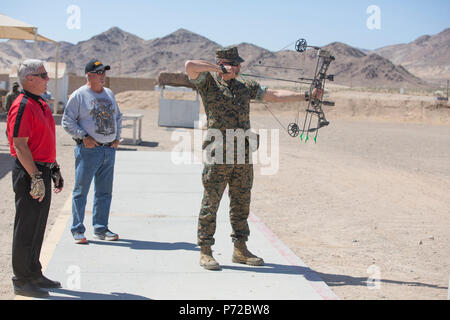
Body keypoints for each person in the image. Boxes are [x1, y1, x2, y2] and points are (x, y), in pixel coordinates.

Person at [185, 47, 323, 270]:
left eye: (239, 65)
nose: (239, 68)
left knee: (241, 202)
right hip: (218, 154)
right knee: (211, 202)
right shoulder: (208, 83)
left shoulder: (245, 87)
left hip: (243, 154)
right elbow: (189, 65)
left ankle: (240, 249)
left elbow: (274, 95)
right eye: (234, 64)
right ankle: (206, 251)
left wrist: (308, 95)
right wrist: (216, 68)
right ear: (223, 64)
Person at [7, 59, 64, 297]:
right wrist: (35, 177)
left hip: (41, 169)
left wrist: (54, 169)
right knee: (26, 226)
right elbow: (20, 145)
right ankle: (21, 279)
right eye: (42, 75)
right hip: (29, 171)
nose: (47, 79)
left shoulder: (39, 103)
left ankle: (34, 272)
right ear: (29, 79)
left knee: (38, 225)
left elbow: (43, 141)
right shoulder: (22, 105)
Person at [62, 59, 122, 244]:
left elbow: (117, 117)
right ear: (89, 75)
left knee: (104, 192)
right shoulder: (79, 96)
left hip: (108, 151)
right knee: (81, 191)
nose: (103, 75)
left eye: (104, 71)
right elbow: (67, 121)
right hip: (89, 151)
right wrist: (83, 137)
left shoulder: (109, 94)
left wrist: (117, 137)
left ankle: (101, 228)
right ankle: (78, 230)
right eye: (99, 72)